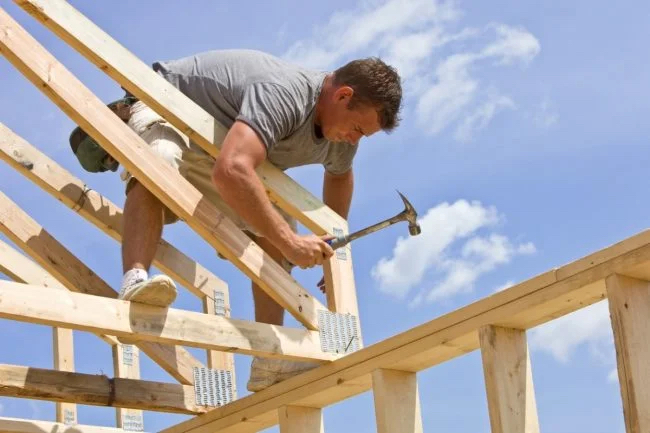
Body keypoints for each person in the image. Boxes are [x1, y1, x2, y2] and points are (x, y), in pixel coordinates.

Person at [116, 49, 403, 391]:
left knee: (276, 230)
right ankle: (135, 281)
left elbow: (340, 177)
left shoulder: (340, 137)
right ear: (342, 96)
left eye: (363, 136)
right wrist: (291, 242)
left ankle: (268, 360)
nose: (355, 140)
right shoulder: (284, 93)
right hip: (168, 106)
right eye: (356, 128)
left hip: (220, 147)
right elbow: (233, 169)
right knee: (159, 159)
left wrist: (331, 245)